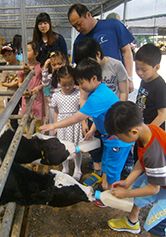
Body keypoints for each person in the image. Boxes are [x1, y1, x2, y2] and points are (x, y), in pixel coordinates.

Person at [38, 58, 133, 201]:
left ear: (94, 78)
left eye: (81, 82)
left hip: (118, 140)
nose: (80, 86)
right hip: (111, 137)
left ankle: (110, 198)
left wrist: (54, 125)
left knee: (112, 168)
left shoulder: (97, 97)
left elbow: (77, 117)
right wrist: (93, 129)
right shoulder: (102, 89)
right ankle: (105, 187)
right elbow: (102, 115)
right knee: (107, 163)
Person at [73, 37, 131, 186]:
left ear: (97, 54)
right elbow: (84, 97)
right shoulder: (87, 77)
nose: (84, 65)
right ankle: (100, 175)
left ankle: (109, 185)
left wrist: (120, 116)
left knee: (113, 158)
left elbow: (124, 92)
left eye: (87, 60)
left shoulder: (116, 66)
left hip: (114, 121)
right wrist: (87, 122)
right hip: (98, 118)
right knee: (102, 152)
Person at [104, 101, 166, 236]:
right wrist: (127, 182)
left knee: (154, 226)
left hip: (161, 182)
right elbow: (141, 161)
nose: (118, 140)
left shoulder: (153, 153)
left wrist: (126, 193)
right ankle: (132, 222)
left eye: (119, 137)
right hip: (161, 174)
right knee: (137, 187)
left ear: (133, 132)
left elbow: (153, 188)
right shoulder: (147, 131)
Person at [67, 4, 135, 93]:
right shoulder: (79, 41)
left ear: (88, 14)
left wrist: (129, 78)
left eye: (79, 24)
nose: (78, 28)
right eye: (74, 26)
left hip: (116, 84)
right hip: (94, 90)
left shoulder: (113, 25)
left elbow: (126, 51)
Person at [50, 65, 83, 181]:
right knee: (63, 147)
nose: (68, 87)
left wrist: (83, 124)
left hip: (75, 124)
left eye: (70, 83)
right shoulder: (56, 96)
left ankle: (78, 168)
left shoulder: (78, 94)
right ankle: (65, 167)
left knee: (76, 147)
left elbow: (82, 110)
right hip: (62, 125)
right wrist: (55, 126)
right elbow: (56, 112)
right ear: (59, 82)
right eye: (64, 85)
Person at [135, 43, 166, 131]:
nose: (140, 73)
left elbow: (162, 115)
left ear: (156, 67)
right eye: (137, 68)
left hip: (153, 132)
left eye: (144, 70)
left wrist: (148, 131)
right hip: (142, 126)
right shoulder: (144, 79)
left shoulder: (159, 85)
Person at [18, 41, 44, 133]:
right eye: (23, 51)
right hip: (26, 97)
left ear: (35, 54)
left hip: (37, 97)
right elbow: (19, 81)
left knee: (37, 119)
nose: (24, 53)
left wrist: (38, 88)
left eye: (28, 51)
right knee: (26, 118)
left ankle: (38, 136)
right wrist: (24, 89)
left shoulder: (40, 67)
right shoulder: (22, 67)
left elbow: (44, 82)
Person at [0, 42, 23, 131]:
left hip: (23, 93)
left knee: (26, 110)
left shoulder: (22, 64)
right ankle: (15, 130)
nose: (7, 57)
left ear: (15, 53)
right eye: (5, 56)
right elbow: (2, 82)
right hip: (12, 94)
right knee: (13, 112)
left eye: (10, 54)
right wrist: (11, 85)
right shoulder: (6, 68)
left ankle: (27, 128)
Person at [42, 51, 67, 128]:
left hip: (66, 106)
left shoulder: (68, 76)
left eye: (60, 63)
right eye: (54, 65)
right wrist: (45, 67)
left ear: (65, 62)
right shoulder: (51, 77)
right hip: (54, 107)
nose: (57, 66)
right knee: (54, 127)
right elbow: (45, 83)